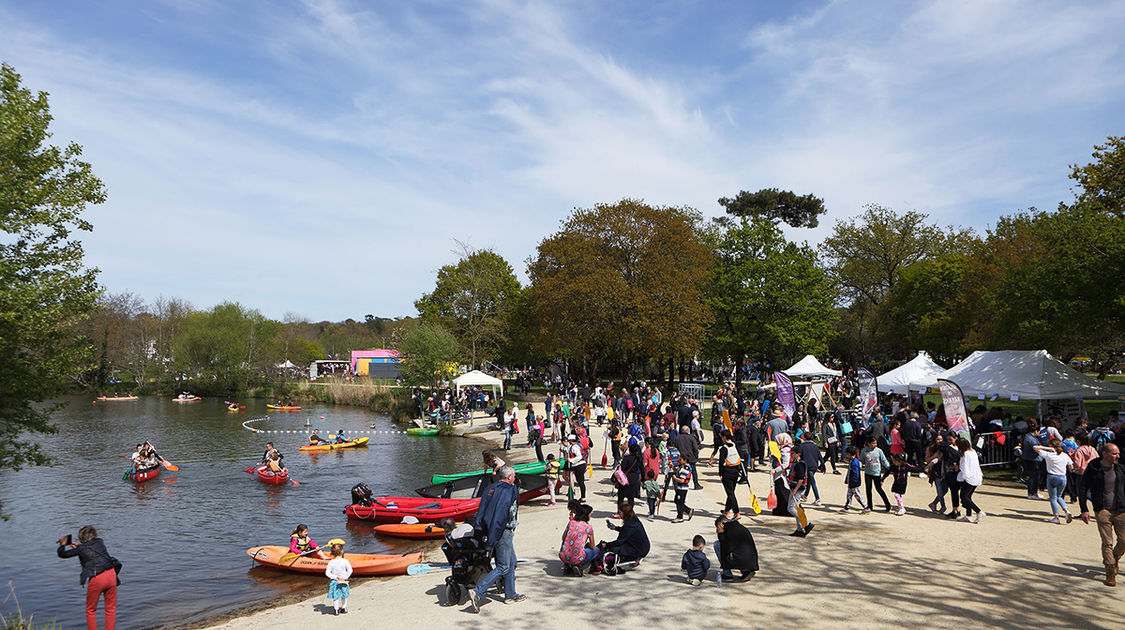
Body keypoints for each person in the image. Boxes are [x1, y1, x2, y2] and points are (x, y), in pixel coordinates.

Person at [469, 465, 525, 611]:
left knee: (511, 562)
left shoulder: (490, 489)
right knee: (503, 566)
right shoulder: (508, 490)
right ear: (509, 477)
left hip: (494, 530)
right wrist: (493, 538)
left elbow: (482, 511)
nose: (515, 478)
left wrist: (481, 529)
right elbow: (500, 515)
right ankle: (478, 592)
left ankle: (510, 595)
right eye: (513, 476)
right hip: (502, 531)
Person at [1080, 442, 1125, 586]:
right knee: (1107, 542)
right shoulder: (1093, 468)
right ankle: (1110, 572)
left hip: (1120, 509)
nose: (1117, 456)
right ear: (1104, 454)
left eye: (1118, 453)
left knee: (1124, 541)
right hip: (1102, 509)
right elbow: (1082, 487)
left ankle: (1115, 557)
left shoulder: (1121, 469)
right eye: (1114, 453)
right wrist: (1084, 509)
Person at [58, 525, 119, 630]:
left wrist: (62, 545)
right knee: (110, 609)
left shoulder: (81, 549)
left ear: (81, 537)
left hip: (98, 578)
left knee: (91, 610)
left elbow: (63, 554)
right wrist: (79, 548)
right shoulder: (100, 542)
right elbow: (90, 550)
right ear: (94, 535)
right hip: (111, 574)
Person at [595, 501, 650, 575]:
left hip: (639, 550)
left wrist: (606, 545)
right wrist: (616, 528)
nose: (619, 514)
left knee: (613, 548)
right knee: (613, 546)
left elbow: (620, 541)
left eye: (620, 512)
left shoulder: (629, 524)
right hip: (643, 547)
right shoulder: (633, 519)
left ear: (625, 513)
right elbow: (628, 532)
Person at [1034, 438, 1074, 524]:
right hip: (1063, 477)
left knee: (1053, 498)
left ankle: (1056, 517)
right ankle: (1066, 510)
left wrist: (1047, 448)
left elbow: (1035, 447)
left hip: (1052, 476)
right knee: (1059, 496)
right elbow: (1071, 467)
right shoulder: (1064, 455)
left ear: (1051, 446)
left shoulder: (1048, 455)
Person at [714, 514, 758, 583]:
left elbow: (726, 548)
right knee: (738, 550)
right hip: (751, 560)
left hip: (742, 559)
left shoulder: (729, 530)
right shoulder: (737, 526)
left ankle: (727, 574)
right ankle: (746, 571)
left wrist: (720, 534)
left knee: (717, 545)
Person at [559, 503, 596, 576]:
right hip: (577, 558)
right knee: (595, 550)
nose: (590, 516)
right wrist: (587, 544)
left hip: (563, 557)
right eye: (589, 514)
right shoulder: (589, 527)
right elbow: (592, 546)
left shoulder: (571, 522)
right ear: (586, 515)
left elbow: (563, 538)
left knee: (565, 542)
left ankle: (567, 565)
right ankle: (578, 566)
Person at [860, 436, 893, 512]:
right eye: (873, 443)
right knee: (868, 489)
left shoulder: (879, 451)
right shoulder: (864, 450)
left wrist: (888, 467)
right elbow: (861, 460)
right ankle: (870, 506)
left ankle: (888, 505)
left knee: (879, 489)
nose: (875, 445)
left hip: (877, 473)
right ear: (868, 443)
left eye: (876, 443)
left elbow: (884, 460)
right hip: (868, 473)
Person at [956, 437, 984, 523]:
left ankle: (979, 511)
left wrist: (963, 477)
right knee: (968, 497)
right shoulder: (973, 451)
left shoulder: (965, 454)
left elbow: (964, 467)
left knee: (964, 497)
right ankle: (968, 515)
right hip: (976, 475)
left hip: (969, 477)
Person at [716, 430, 743, 518]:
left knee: (730, 493)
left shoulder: (723, 448)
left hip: (727, 473)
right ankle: (727, 510)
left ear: (724, 437)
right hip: (736, 472)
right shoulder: (735, 445)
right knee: (731, 492)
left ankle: (736, 512)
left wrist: (720, 474)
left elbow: (721, 462)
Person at [324, 539, 352, 615]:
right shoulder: (345, 561)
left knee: (336, 596)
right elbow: (350, 570)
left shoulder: (331, 562)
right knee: (344, 595)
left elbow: (327, 573)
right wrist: (345, 577)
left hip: (335, 581)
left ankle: (336, 610)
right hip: (343, 580)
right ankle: (344, 608)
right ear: (342, 551)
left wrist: (335, 577)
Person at [838, 446, 869, 514]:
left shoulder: (855, 462)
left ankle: (866, 507)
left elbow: (856, 474)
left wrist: (854, 482)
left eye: (846, 454)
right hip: (851, 482)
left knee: (857, 495)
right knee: (849, 495)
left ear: (849, 454)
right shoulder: (852, 461)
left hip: (854, 483)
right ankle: (847, 507)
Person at [671, 456, 694, 522]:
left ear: (685, 460)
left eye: (680, 459)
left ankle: (680, 516)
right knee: (677, 501)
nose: (679, 460)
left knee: (679, 502)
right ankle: (687, 511)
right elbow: (677, 471)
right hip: (680, 487)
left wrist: (675, 478)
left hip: (682, 488)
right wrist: (672, 466)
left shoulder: (686, 468)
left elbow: (682, 480)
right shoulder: (682, 466)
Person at [565, 435, 588, 501]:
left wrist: (571, 460)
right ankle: (582, 496)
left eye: (569, 441)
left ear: (571, 440)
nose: (568, 442)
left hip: (579, 465)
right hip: (579, 465)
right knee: (580, 481)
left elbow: (579, 456)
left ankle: (583, 497)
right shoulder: (577, 445)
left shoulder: (574, 447)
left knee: (581, 482)